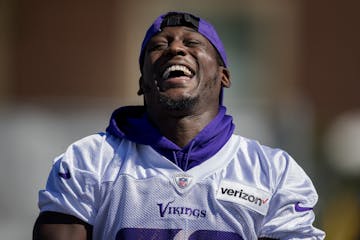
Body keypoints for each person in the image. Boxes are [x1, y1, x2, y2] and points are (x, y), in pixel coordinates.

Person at [33, 11, 325, 240]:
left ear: (224, 76)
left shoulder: (274, 173)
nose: (175, 49)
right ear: (142, 83)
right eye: (159, 46)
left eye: (192, 42)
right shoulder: (89, 161)